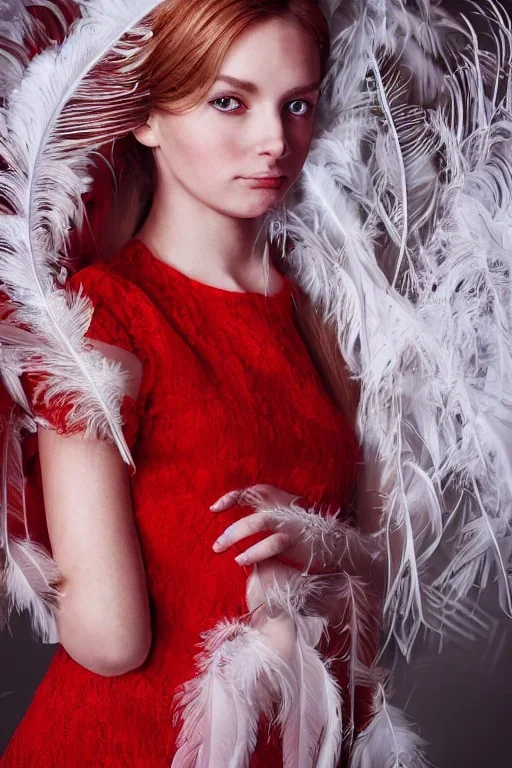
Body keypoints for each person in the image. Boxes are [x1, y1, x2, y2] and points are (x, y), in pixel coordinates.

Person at [0, 1, 386, 766]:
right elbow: (109, 640)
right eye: (229, 102)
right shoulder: (100, 322)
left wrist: (322, 550)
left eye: (297, 103)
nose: (276, 141)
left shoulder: (327, 319)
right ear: (146, 114)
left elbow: (379, 608)